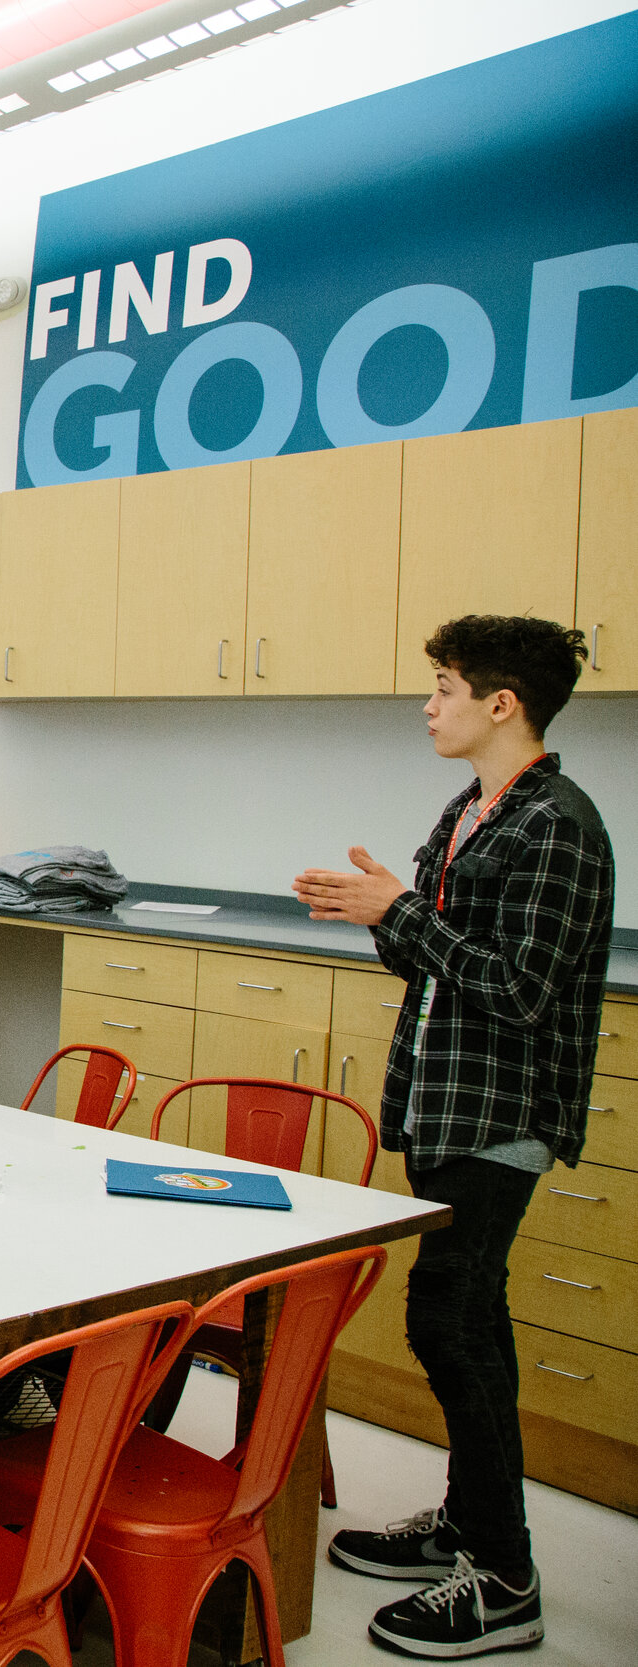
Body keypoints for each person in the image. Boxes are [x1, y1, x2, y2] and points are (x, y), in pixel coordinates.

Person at [296, 616, 613, 1661]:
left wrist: (403, 909)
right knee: (473, 1317)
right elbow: (439, 961)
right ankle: (467, 1525)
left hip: (503, 1113)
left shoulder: (555, 825)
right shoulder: (473, 809)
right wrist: (378, 912)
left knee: (448, 1321)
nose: (427, 704)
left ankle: (505, 1578)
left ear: (500, 702)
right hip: (444, 1103)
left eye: (441, 686)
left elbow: (518, 990)